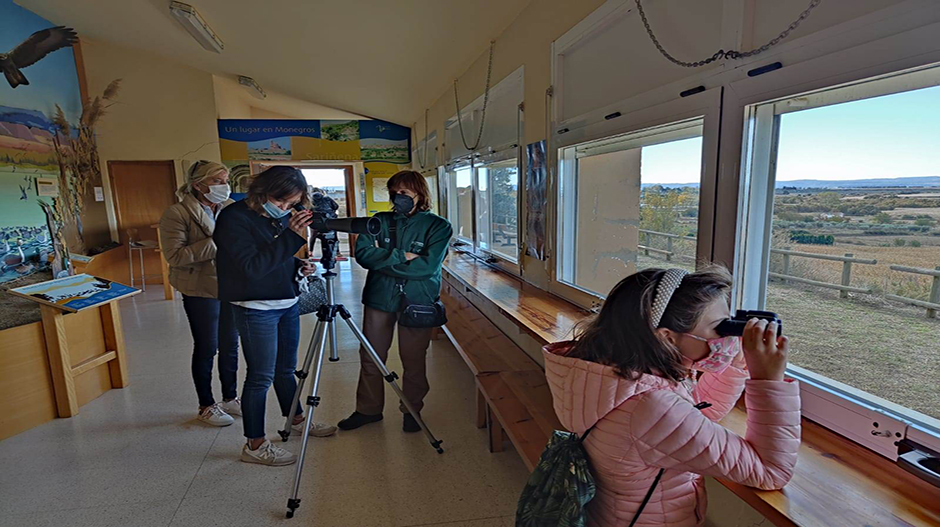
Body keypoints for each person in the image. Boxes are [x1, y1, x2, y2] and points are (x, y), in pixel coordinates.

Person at [543, 267, 801, 526]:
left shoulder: (607, 374)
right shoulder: (651, 406)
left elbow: (693, 420)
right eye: (718, 328)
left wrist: (735, 365)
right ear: (667, 338)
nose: (727, 338)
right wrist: (768, 380)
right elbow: (770, 472)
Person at [214, 166, 337, 467]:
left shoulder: (280, 217)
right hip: (255, 307)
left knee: (286, 369)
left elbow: (277, 260)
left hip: (286, 301)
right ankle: (255, 444)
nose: (285, 208)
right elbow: (252, 267)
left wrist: (298, 267)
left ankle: (296, 420)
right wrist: (293, 238)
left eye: (291, 203)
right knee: (260, 376)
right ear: (262, 191)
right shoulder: (234, 219)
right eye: (281, 201)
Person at [338, 170, 453, 433]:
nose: (397, 197)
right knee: (371, 356)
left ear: (419, 193)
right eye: (394, 192)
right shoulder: (379, 221)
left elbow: (426, 267)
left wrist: (385, 262)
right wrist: (402, 255)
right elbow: (364, 255)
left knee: (413, 359)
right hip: (380, 298)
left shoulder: (438, 226)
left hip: (418, 299)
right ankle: (368, 409)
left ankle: (412, 409)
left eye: (404, 192)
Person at [159, 160, 239, 427]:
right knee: (207, 346)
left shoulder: (228, 208)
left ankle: (230, 397)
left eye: (225, 180)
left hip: (231, 285)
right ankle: (206, 405)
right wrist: (217, 241)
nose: (224, 186)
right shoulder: (177, 213)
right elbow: (175, 256)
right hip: (199, 288)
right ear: (198, 185)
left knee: (230, 344)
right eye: (217, 181)